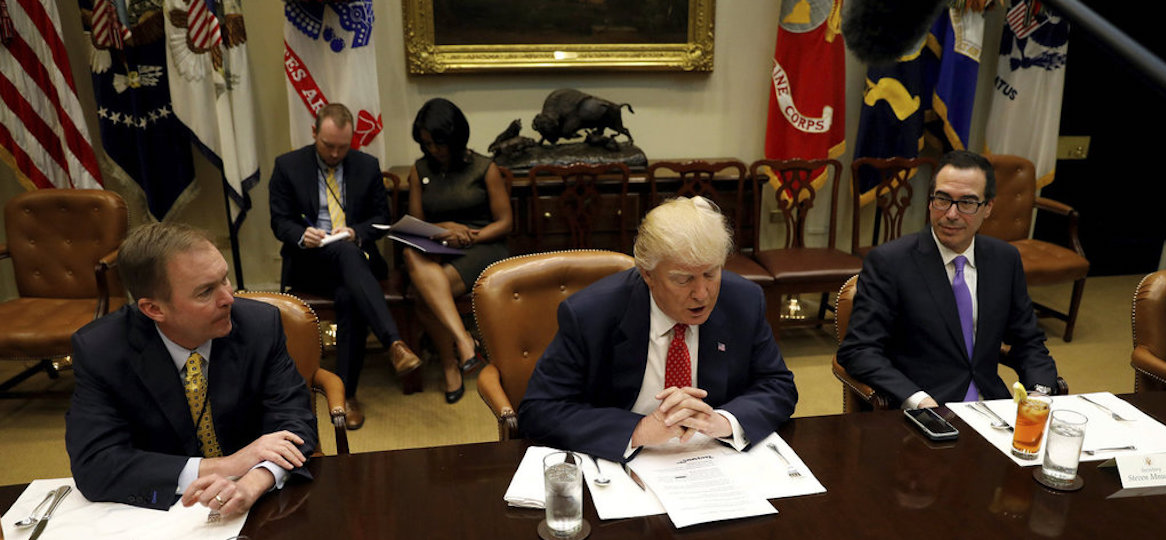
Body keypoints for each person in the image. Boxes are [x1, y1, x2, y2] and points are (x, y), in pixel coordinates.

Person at [65, 223, 317, 517]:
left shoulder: (259, 326)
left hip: (261, 506)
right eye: (205, 292)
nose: (228, 298)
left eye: (224, 279)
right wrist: (227, 465)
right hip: (158, 512)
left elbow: (295, 422)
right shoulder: (102, 350)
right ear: (154, 309)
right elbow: (96, 465)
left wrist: (253, 482)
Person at [518, 197, 798, 461]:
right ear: (647, 275)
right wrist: (637, 430)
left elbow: (778, 385)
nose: (702, 294)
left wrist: (724, 421)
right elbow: (540, 410)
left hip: (713, 458)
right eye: (683, 279)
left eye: (711, 274)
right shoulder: (590, 314)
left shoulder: (743, 300)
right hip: (624, 463)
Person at [836, 150, 1059, 409]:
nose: (951, 214)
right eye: (942, 199)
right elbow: (859, 350)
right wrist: (916, 399)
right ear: (930, 202)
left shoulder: (1004, 259)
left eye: (967, 203)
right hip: (924, 410)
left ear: (988, 208)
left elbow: (1028, 341)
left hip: (992, 407)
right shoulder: (890, 262)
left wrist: (1039, 391)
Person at [269, 103, 421, 428]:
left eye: (343, 146)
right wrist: (301, 234)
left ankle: (346, 394)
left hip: (356, 262)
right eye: (328, 146)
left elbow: (382, 220)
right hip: (310, 263)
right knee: (345, 256)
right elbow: (279, 221)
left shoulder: (366, 166)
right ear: (314, 133)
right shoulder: (288, 166)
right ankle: (392, 341)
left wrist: (355, 232)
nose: (336, 153)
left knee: (349, 289)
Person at [405, 98, 512, 403]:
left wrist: (468, 237)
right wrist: (446, 229)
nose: (433, 150)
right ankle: (463, 340)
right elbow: (415, 226)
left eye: (439, 143)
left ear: (455, 138)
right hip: (439, 245)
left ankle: (451, 364)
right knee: (410, 254)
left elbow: (504, 223)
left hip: (483, 246)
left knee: (423, 296)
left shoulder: (484, 168)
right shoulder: (419, 170)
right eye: (426, 144)